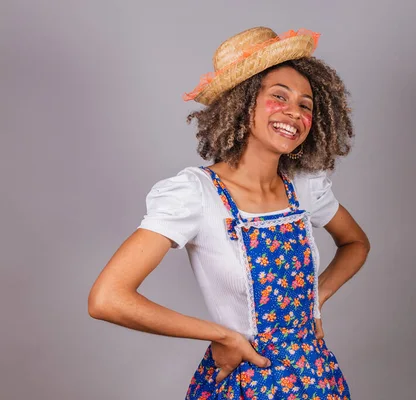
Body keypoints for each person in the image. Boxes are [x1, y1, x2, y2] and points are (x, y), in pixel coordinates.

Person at [88, 26, 370, 399]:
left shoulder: (305, 188)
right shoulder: (196, 195)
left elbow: (356, 243)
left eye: (306, 104)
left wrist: (313, 298)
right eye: (279, 97)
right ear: (243, 102)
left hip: (315, 378)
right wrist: (220, 335)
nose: (294, 112)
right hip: (247, 380)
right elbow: (107, 298)